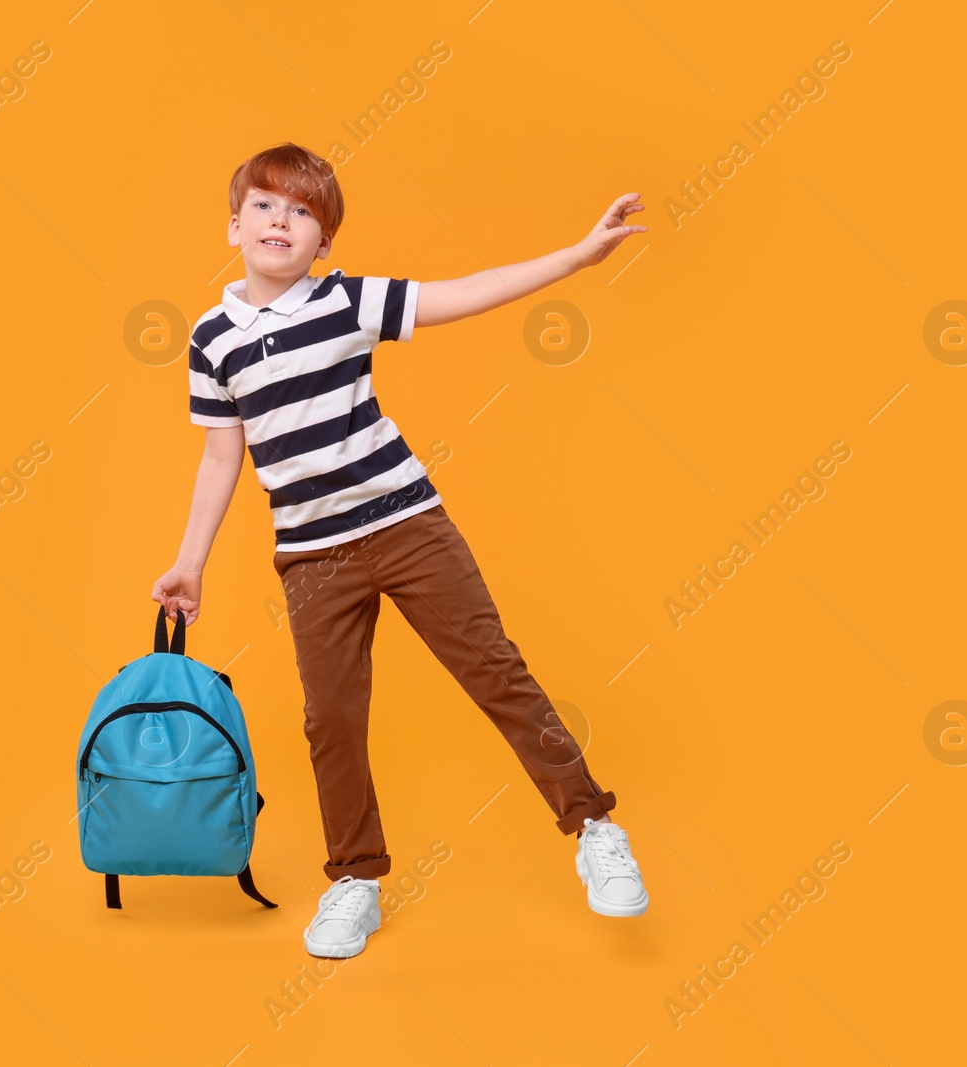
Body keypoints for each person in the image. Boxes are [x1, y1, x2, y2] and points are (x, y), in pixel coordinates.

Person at [152, 142, 650, 958]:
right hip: (313, 555)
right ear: (234, 224)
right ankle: (355, 879)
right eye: (267, 205)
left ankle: (594, 827)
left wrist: (576, 256)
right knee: (332, 720)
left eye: (305, 211)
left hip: (407, 523)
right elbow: (221, 455)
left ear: (326, 243)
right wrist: (189, 561)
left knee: (496, 672)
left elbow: (466, 293)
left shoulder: (348, 302)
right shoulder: (211, 337)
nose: (284, 220)